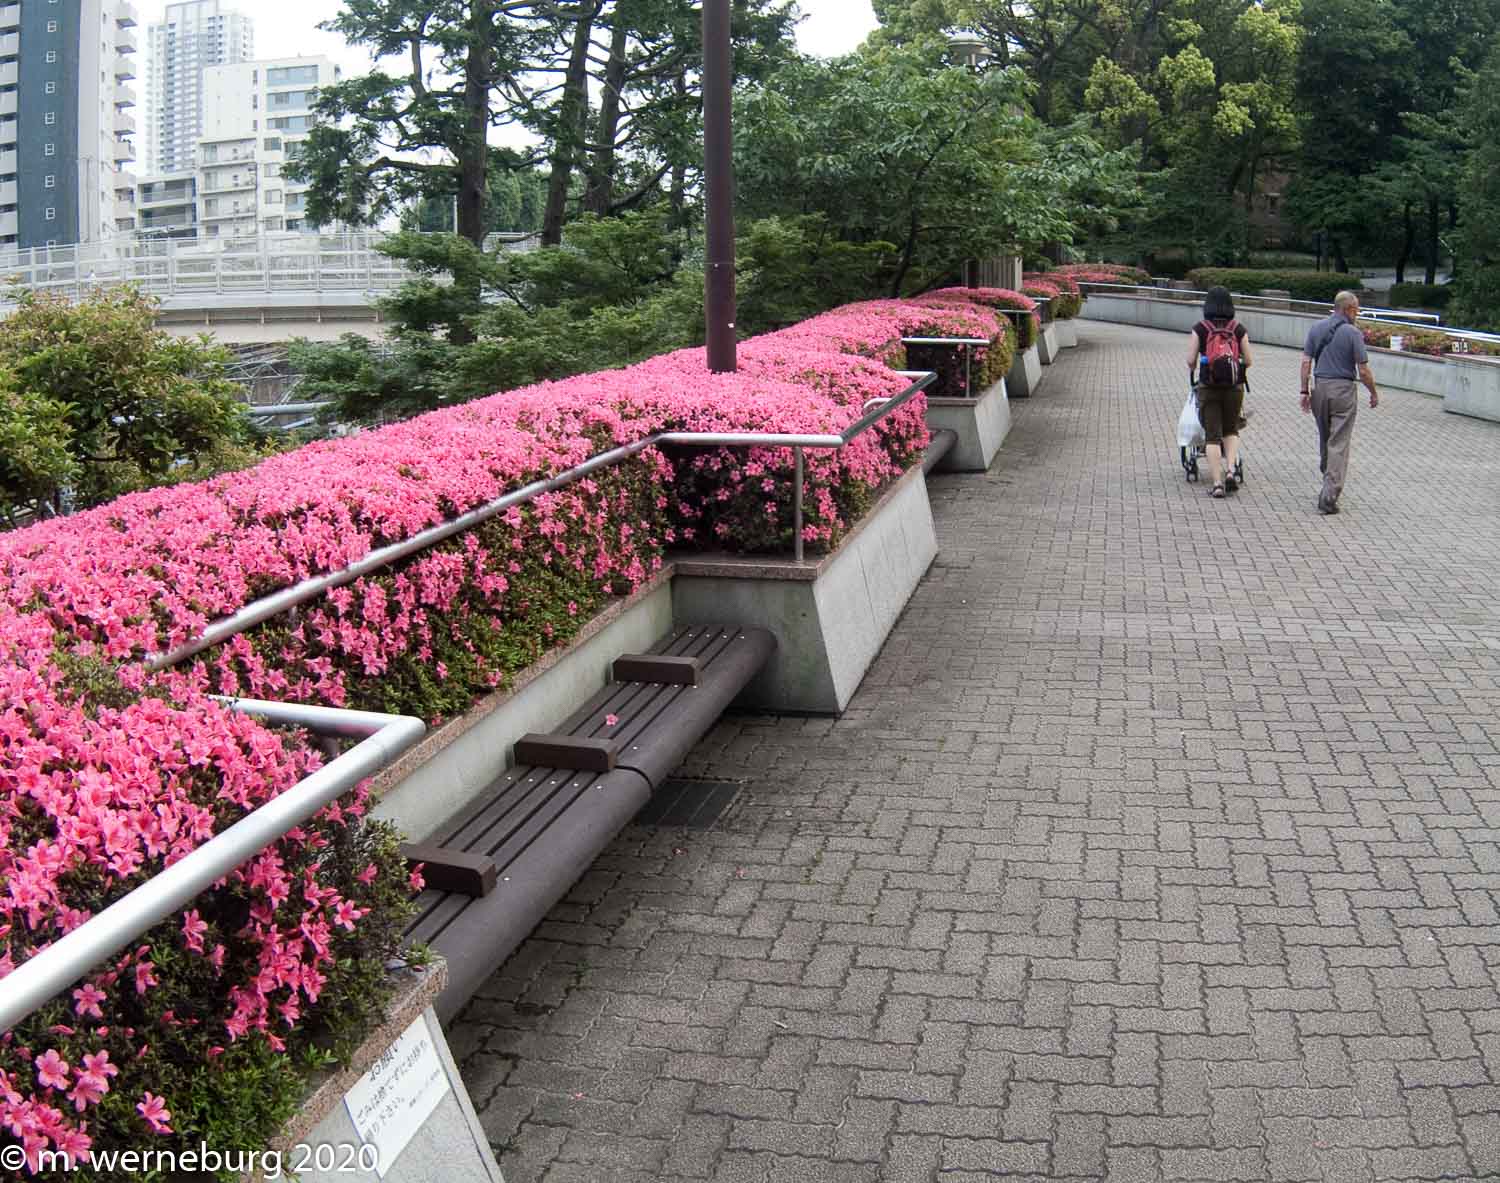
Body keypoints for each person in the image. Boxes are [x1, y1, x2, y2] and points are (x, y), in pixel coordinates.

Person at [1300, 291, 1379, 515]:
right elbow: (1363, 370)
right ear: (1347, 309)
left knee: (1326, 438)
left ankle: (1327, 475)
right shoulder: (1353, 333)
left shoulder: (1316, 328)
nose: (1358, 314)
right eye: (1357, 310)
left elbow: (1306, 362)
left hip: (1320, 388)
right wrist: (1373, 392)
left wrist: (1304, 390)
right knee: (1339, 442)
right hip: (1343, 390)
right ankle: (1329, 494)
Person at [1186, 286, 1251, 498]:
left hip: (1208, 387)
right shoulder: (1238, 328)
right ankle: (1231, 471)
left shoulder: (1201, 328)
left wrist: (1199, 365)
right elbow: (1249, 360)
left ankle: (1216, 483)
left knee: (1212, 437)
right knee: (1231, 430)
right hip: (1234, 388)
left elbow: (1190, 360)